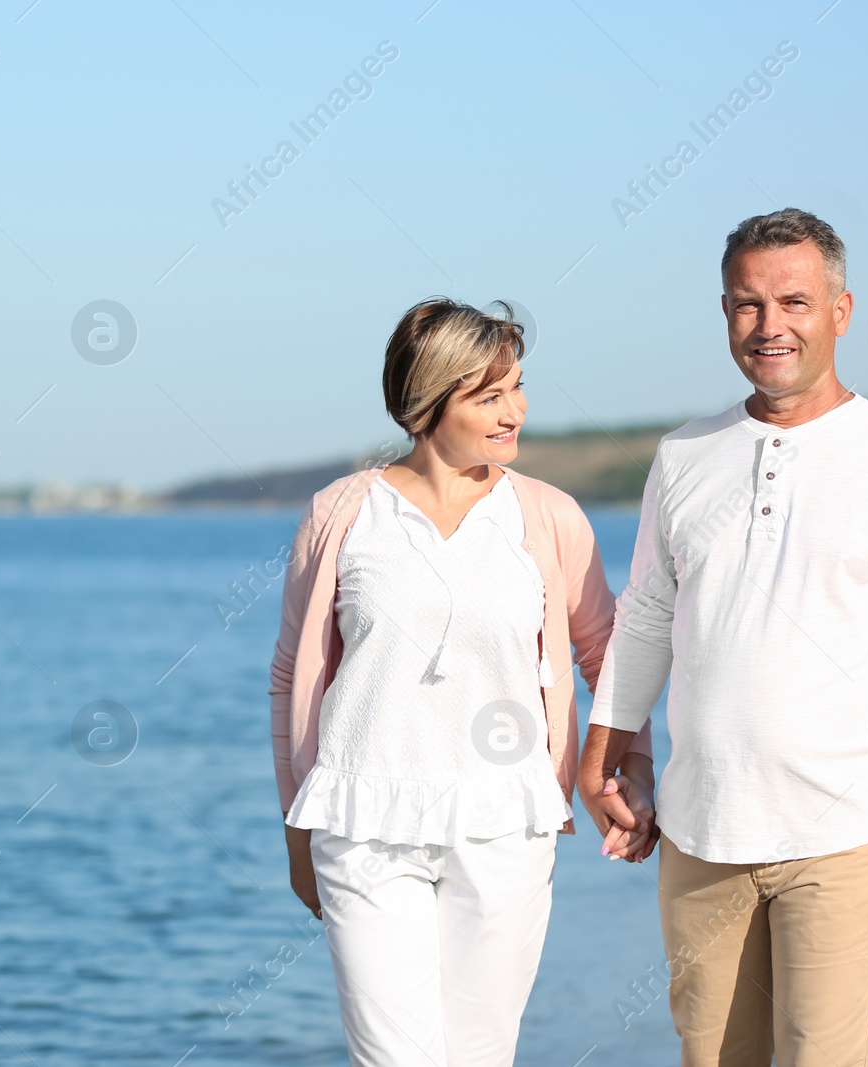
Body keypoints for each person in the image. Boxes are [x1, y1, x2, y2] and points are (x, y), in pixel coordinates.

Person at [579, 208, 868, 1066]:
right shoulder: (683, 456)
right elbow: (648, 616)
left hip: (846, 833)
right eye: (746, 305)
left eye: (795, 303)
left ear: (841, 310)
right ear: (724, 312)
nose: (770, 327)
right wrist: (602, 751)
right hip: (701, 833)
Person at [268, 297, 656, 1066]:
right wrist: (296, 831)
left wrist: (626, 767)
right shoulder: (342, 513)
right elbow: (292, 677)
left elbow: (605, 656)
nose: (515, 410)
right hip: (363, 821)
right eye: (489, 395)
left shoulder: (546, 515)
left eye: (516, 387)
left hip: (505, 825)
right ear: (427, 403)